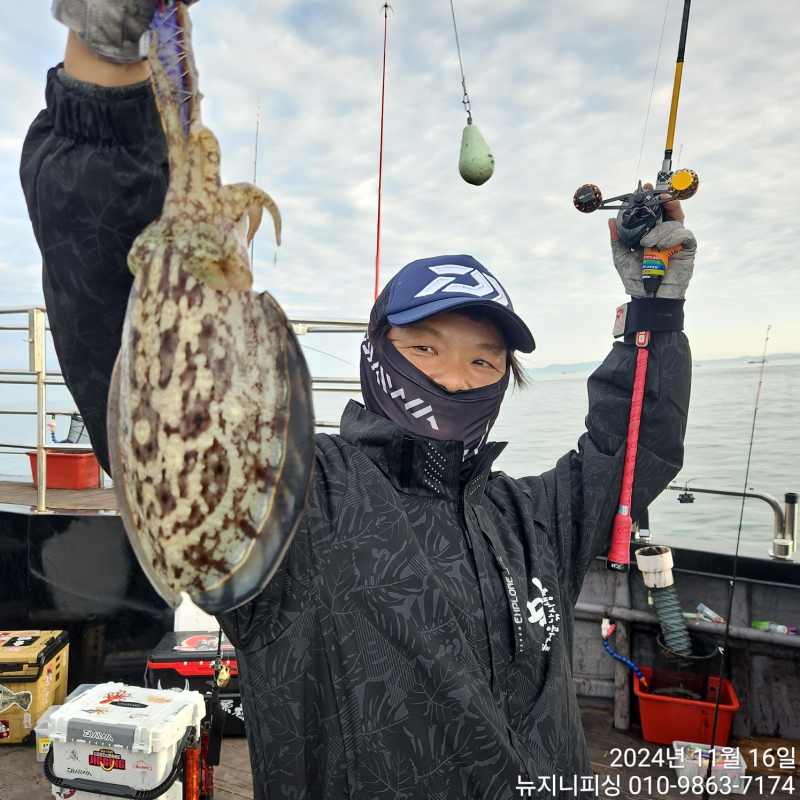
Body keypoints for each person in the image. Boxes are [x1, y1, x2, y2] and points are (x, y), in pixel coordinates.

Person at [20, 3, 696, 798]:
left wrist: (654, 309)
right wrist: (107, 61)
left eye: (485, 360)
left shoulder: (535, 519)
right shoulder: (296, 502)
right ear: (376, 357)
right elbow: (127, 347)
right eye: (424, 349)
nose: (454, 376)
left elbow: (631, 456)